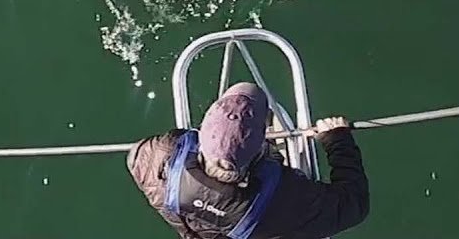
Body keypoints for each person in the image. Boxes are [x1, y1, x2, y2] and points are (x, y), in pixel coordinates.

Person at [127, 82, 369, 239]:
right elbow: (353, 206)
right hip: (260, 217)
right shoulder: (285, 198)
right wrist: (337, 140)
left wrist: (184, 139)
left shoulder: (156, 157)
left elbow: (137, 155)